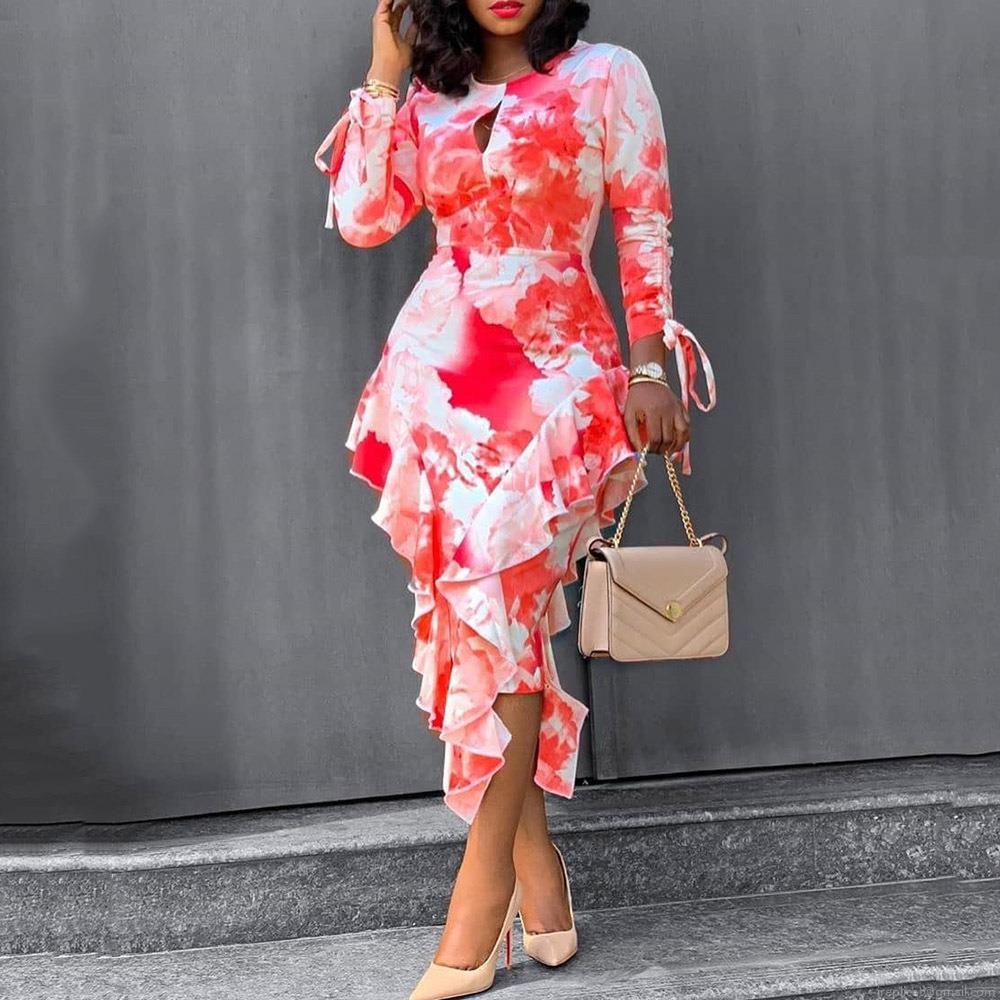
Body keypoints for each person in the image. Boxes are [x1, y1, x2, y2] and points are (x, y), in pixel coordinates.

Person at [313, 1, 716, 996]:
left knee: (500, 608)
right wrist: (383, 71)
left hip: (558, 375)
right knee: (484, 626)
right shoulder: (428, 94)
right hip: (438, 381)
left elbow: (644, 224)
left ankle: (479, 892)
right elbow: (364, 219)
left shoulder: (607, 74)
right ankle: (542, 883)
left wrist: (650, 366)